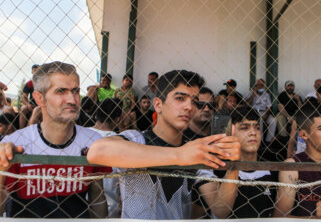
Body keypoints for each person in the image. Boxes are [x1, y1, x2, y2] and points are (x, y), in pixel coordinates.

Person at [87, 70, 241, 220]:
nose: (189, 106)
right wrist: (179, 155)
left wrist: (233, 165)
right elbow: (97, 151)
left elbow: (220, 210)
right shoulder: (136, 139)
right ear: (158, 104)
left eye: (194, 101)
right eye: (180, 98)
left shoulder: (194, 151)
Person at [0, 61, 110, 218]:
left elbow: (97, 199)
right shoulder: (15, 144)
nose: (72, 100)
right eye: (61, 91)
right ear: (39, 98)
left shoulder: (92, 141)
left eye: (76, 91)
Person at [196, 107, 277, 218]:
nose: (253, 133)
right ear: (231, 132)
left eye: (257, 128)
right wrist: (234, 164)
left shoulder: (272, 169)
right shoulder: (212, 167)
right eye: (244, 128)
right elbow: (220, 212)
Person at [89, 98, 122, 218]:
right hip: (110, 206)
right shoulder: (120, 141)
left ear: (96, 115)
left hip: (83, 203)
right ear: (118, 119)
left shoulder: (83, 135)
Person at [245, 79, 277, 143]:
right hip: (254, 112)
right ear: (255, 86)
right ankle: (260, 140)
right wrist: (254, 93)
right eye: (258, 85)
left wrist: (266, 114)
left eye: (262, 85)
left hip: (264, 112)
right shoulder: (251, 92)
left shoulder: (266, 94)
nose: (260, 87)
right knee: (260, 120)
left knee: (273, 120)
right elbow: (246, 104)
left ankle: (269, 140)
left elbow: (269, 106)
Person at [19, 64, 39, 128]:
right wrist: (28, 104)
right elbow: (24, 97)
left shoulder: (44, 83)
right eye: (34, 70)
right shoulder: (30, 83)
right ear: (32, 72)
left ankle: (29, 128)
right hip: (31, 104)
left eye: (38, 70)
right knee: (23, 108)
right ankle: (21, 130)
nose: (36, 72)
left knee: (37, 110)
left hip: (41, 105)